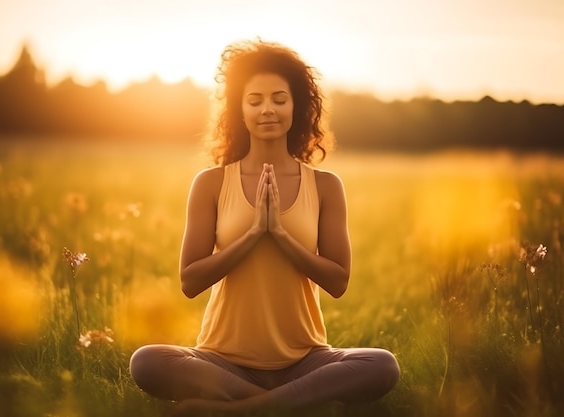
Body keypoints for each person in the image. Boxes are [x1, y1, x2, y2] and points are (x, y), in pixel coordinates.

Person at [129, 39, 400, 416]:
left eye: (278, 99)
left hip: (304, 360)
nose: (267, 109)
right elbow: (190, 281)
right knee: (147, 360)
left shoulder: (325, 186)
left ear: (296, 106)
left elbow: (338, 282)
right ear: (239, 110)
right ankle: (291, 405)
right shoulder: (211, 183)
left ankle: (240, 410)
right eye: (254, 100)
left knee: (382, 365)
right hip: (222, 361)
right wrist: (255, 233)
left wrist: (282, 236)